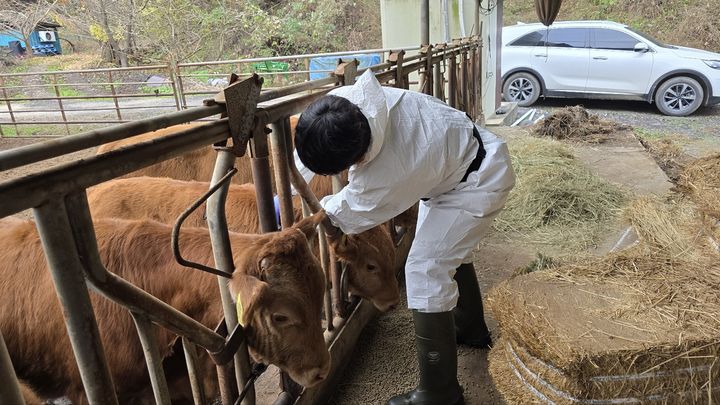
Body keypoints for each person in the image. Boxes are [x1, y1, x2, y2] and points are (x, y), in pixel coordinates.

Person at [293, 69, 515, 405]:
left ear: (357, 158)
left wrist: (312, 214)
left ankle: (439, 393)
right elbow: (317, 144)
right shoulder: (351, 106)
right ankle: (469, 327)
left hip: (476, 183)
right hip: (458, 163)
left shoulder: (391, 168)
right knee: (450, 253)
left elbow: (351, 209)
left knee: (425, 269)